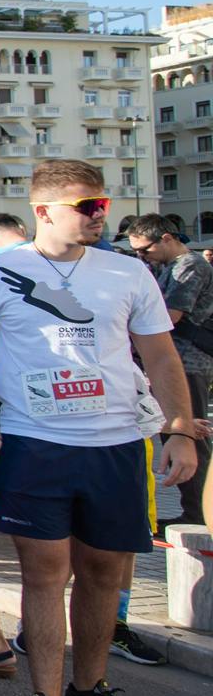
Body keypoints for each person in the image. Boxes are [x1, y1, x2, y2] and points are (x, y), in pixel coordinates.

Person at [0, 165, 196, 696]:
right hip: (35, 442)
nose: (98, 213)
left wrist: (181, 430)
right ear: (44, 211)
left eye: (102, 203)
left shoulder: (128, 271)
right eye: (86, 204)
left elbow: (161, 358)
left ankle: (91, 690)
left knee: (105, 573)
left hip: (114, 444)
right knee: (43, 575)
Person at [125, 212, 213, 530]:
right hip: (174, 360)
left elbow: (170, 315)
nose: (141, 256)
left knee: (187, 434)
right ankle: (192, 509)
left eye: (145, 250)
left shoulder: (191, 265)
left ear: (166, 238)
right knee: (175, 432)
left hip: (188, 363)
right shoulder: (166, 267)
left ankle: (198, 513)